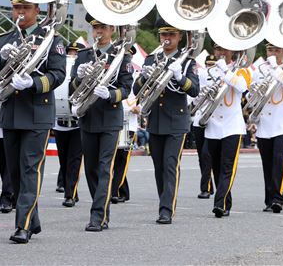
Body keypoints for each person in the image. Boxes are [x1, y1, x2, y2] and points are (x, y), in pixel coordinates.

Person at [0, 0, 66, 244]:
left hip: (37, 112)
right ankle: (32, 220)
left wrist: (32, 83)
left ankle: (22, 225)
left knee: (29, 169)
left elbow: (58, 74)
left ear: (37, 10)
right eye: (16, 8)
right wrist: (2, 58)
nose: (19, 13)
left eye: (25, 7)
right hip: (11, 112)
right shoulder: (6, 38)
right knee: (14, 172)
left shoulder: (50, 38)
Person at [132, 18, 199, 224]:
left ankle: (166, 209)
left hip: (177, 120)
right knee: (158, 165)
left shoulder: (187, 61)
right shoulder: (152, 59)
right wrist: (144, 77)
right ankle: (164, 199)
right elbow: (137, 91)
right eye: (163, 35)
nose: (166, 39)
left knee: (170, 164)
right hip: (156, 119)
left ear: (179, 37)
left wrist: (180, 77)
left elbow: (194, 90)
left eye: (171, 35)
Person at [69, 15, 133, 231]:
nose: (99, 32)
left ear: (112, 29)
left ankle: (97, 215)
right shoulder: (85, 54)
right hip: (88, 116)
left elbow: (126, 88)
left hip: (110, 117)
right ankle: (102, 210)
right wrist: (78, 77)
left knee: (105, 167)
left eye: (103, 27)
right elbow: (72, 87)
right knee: (91, 169)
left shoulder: (121, 55)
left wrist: (110, 94)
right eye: (96, 27)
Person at [203, 43, 249, 218]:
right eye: (217, 49)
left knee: (227, 166)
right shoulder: (207, 71)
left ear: (232, 51)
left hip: (232, 126)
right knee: (215, 166)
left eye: (224, 49)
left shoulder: (240, 71)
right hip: (213, 125)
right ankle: (226, 202)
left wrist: (226, 71)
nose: (221, 53)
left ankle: (219, 203)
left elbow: (242, 88)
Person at [254, 43, 283, 213]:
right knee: (267, 163)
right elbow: (252, 92)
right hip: (264, 124)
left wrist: (275, 67)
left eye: (276, 50)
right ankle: (268, 199)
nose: (272, 53)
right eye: (270, 50)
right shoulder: (259, 70)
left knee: (279, 160)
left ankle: (278, 199)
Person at [54, 42, 83, 207]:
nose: (72, 55)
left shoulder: (82, 69)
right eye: (70, 52)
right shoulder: (62, 67)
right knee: (63, 160)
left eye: (76, 53)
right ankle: (69, 189)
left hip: (78, 123)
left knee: (74, 160)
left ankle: (70, 194)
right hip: (60, 123)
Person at [189, 53, 216, 200]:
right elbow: (192, 98)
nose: (209, 67)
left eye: (213, 65)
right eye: (208, 64)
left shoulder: (220, 77)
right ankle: (209, 185)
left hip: (214, 119)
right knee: (201, 155)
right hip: (199, 118)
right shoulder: (200, 75)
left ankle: (205, 188)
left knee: (207, 154)